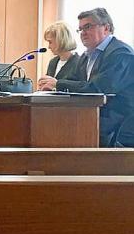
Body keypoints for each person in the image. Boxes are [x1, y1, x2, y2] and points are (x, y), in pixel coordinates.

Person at [38, 8, 134, 147]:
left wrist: (58, 84)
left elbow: (99, 88)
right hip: (94, 121)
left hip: (120, 130)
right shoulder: (86, 56)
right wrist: (50, 89)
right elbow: (75, 82)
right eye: (80, 29)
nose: (83, 33)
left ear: (106, 28)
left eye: (88, 27)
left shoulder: (121, 54)